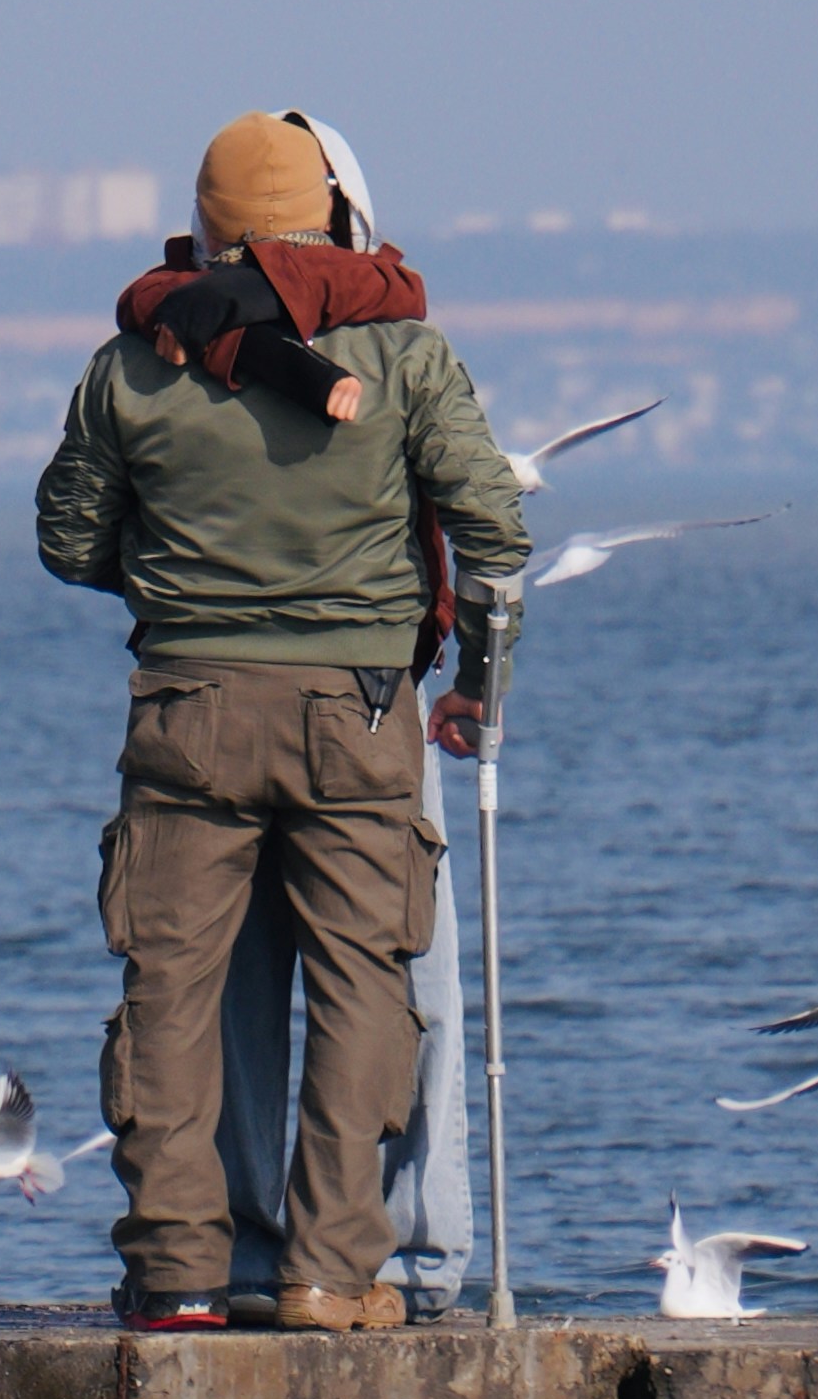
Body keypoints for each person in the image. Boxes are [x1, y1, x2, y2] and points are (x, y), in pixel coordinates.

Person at [36, 110, 526, 1329]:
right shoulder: (406, 355)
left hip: (187, 710)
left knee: (172, 992)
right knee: (363, 985)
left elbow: (65, 542)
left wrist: (175, 587)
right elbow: (494, 539)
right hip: (359, 715)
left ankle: (178, 1274)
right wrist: (476, 683)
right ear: (330, 213)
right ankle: (328, 1273)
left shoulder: (135, 364)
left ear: (202, 225)